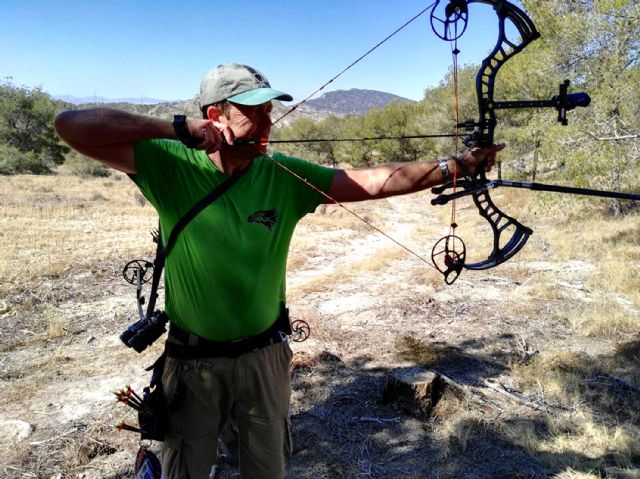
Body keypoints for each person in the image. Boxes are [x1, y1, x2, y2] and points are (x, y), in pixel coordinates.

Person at [54, 63, 503, 479]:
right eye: (255, 113)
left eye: (271, 112)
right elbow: (69, 126)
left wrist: (454, 168)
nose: (269, 124)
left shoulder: (283, 175)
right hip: (192, 363)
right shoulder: (169, 163)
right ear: (217, 116)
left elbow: (369, 181)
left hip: (263, 359)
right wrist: (177, 129)